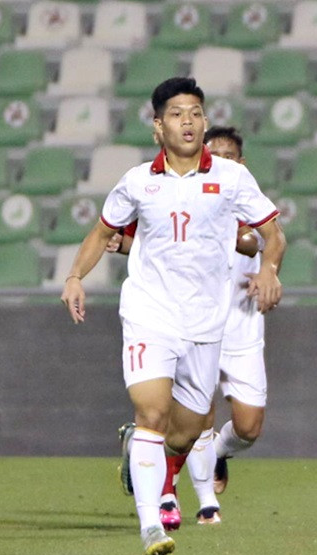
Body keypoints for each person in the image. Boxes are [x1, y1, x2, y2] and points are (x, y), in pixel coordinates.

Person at [60, 77, 280, 555]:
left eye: (195, 113)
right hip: (149, 313)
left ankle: (138, 452)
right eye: (177, 114)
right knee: (152, 414)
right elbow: (102, 232)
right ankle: (150, 526)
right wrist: (75, 276)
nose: (188, 121)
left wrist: (269, 268)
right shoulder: (138, 181)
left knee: (184, 433)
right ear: (158, 126)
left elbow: (273, 233)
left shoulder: (231, 178)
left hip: (206, 322)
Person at [113, 126, 286, 529]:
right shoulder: (186, 195)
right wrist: (122, 243)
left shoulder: (245, 197)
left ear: (241, 163)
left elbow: (266, 239)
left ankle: (215, 454)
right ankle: (180, 496)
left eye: (230, 156)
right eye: (215, 154)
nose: (221, 161)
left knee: (248, 426)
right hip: (194, 323)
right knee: (194, 416)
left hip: (242, 326)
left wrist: (268, 272)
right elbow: (149, 238)